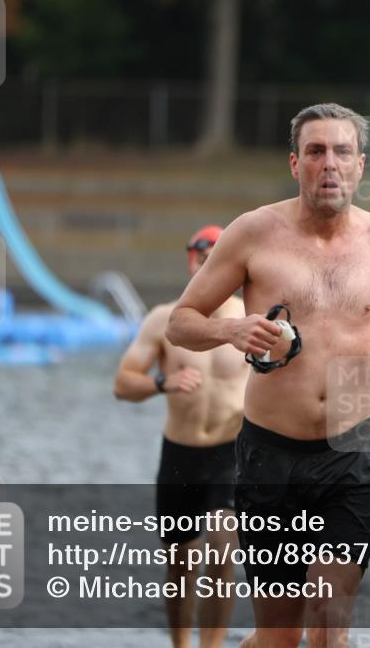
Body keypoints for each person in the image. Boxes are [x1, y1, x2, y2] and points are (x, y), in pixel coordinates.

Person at [165, 103, 370, 648]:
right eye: (316, 151)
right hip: (269, 454)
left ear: (360, 165)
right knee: (279, 637)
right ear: (295, 163)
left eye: (342, 152)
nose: (329, 164)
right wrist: (233, 332)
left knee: (329, 621)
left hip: (351, 452)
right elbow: (181, 324)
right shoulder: (253, 233)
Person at [113, 225, 248, 648]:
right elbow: (122, 384)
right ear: (190, 260)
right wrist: (161, 383)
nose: (206, 263)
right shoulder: (163, 319)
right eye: (200, 255)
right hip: (180, 456)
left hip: (231, 453)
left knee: (223, 552)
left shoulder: (251, 319)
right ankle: (181, 645)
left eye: (216, 256)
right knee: (180, 565)